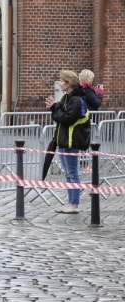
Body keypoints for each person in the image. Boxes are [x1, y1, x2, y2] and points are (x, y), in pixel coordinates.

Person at [45, 70, 91, 214]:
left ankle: (74, 203)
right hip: (64, 140)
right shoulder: (67, 98)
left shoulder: (76, 100)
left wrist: (55, 108)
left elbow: (67, 118)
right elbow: (60, 116)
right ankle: (70, 202)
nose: (59, 82)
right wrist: (55, 107)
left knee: (72, 172)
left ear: (69, 83)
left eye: (61, 80)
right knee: (67, 173)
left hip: (72, 140)